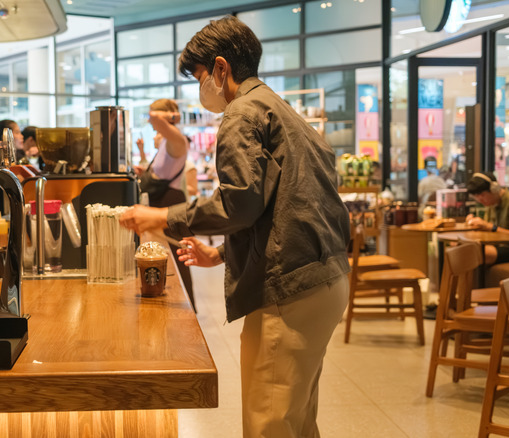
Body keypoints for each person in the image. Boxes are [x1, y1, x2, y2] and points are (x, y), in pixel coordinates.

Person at [119, 17, 350, 437]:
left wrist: (163, 216)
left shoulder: (241, 112)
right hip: (326, 280)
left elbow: (240, 203)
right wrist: (223, 253)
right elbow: (285, 205)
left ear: (221, 69)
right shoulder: (282, 111)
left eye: (200, 76)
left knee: (270, 425)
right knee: (297, 421)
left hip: (291, 288)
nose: (199, 88)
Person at [135, 98, 195, 311]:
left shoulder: (177, 142)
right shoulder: (164, 146)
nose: (151, 121)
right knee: (166, 263)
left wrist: (169, 115)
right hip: (161, 208)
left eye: (154, 114)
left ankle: (187, 314)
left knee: (177, 264)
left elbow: (155, 118)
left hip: (171, 209)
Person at [465, 172, 509, 265]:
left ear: (494, 188)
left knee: (476, 253)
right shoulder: (491, 204)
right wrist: (475, 223)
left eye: (482, 195)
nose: (480, 200)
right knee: (463, 249)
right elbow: (487, 229)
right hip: (499, 245)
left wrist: (491, 227)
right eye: (476, 197)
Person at [0, 119, 24, 214]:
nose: (22, 136)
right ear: (6, 138)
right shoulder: (0, 160)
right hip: (4, 213)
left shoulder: (16, 158)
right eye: (17, 132)